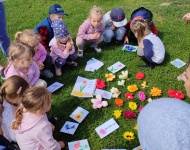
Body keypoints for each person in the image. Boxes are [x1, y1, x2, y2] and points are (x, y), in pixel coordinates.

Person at [0, 76, 29, 143]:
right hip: (13, 137)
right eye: (24, 96)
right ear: (17, 97)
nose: (26, 97)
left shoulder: (10, 99)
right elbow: (14, 137)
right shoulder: (7, 113)